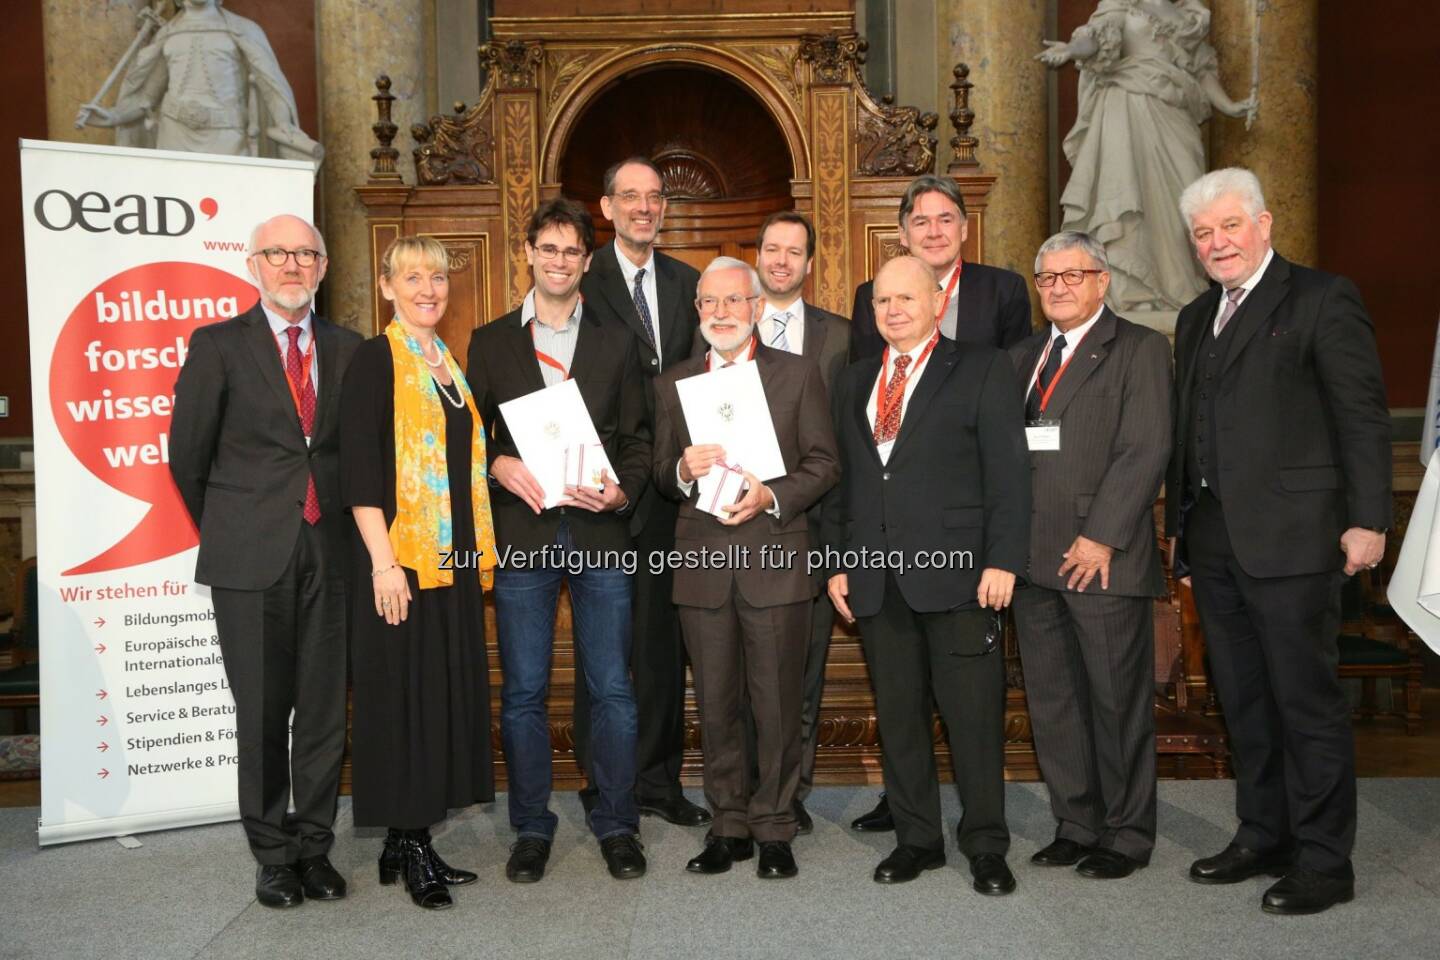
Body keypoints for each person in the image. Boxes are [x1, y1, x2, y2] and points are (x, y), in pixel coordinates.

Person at [1166, 168, 1391, 915]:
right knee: (1245, 702)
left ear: (1264, 224)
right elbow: (1188, 435)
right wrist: (1181, 539)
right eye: (1204, 233)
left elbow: (1359, 414)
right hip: (1216, 544)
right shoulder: (1198, 316)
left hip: (1297, 539)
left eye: (1230, 226)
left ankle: (1326, 860)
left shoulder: (1323, 298)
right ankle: (1265, 834)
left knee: (1306, 703)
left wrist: (1370, 519)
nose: (1218, 242)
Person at [169, 214, 359, 908]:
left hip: (331, 552)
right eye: (278, 253)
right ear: (253, 264)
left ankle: (314, 847)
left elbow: (358, 455)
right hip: (250, 557)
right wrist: (235, 525)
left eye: (306, 254)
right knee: (259, 711)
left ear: (324, 266)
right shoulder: (218, 346)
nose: (292, 265)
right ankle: (272, 855)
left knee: (321, 713)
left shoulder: (349, 348)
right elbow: (186, 458)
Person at [823, 255, 1029, 893]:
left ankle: (987, 844)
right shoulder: (853, 379)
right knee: (900, 717)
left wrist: (1003, 560)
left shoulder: (982, 368)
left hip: (961, 579)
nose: (893, 310)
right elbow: (844, 484)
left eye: (906, 298)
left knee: (973, 717)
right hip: (877, 580)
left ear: (937, 301)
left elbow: (1009, 474)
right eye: (882, 301)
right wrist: (836, 563)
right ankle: (917, 840)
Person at [467, 198, 650, 882]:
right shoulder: (490, 343)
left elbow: (638, 440)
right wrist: (495, 461)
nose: (560, 262)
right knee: (523, 692)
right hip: (525, 537)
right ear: (529, 253)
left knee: (612, 689)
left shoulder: (616, 342)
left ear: (586, 261)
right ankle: (532, 827)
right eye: (548, 249)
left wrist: (623, 488)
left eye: (572, 252)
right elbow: (466, 436)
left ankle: (616, 824)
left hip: (601, 533)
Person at [653, 257, 839, 879]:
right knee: (716, 702)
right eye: (709, 303)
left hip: (775, 559)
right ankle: (727, 823)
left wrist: (771, 495)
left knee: (778, 702)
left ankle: (775, 827)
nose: (721, 313)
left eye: (733, 301)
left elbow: (823, 464)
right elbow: (659, 472)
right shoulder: (674, 381)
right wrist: (683, 467)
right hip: (702, 565)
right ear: (697, 310)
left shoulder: (798, 374)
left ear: (757, 307)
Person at [339, 236, 497, 910]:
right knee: (403, 700)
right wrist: (383, 564)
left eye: (437, 276)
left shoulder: (447, 364)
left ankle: (405, 843)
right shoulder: (377, 360)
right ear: (386, 287)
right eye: (412, 276)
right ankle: (412, 847)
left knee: (435, 696)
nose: (428, 287)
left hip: (452, 562)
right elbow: (359, 472)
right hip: (401, 563)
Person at [1009, 231, 1172, 880]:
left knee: (1114, 702)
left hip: (1100, 557)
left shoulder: (1138, 349)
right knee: (1053, 703)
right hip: (1031, 559)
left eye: (1071, 276)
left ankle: (1128, 834)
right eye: (1046, 279)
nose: (1058, 288)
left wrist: (1102, 533)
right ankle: (1076, 824)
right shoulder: (1023, 355)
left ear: (1102, 280)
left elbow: (1146, 448)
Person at [577, 157, 709, 827]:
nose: (644, 207)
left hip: (671, 496)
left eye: (654, 197)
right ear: (607, 207)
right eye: (630, 196)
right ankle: (604, 783)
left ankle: (658, 781)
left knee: (660, 648)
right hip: (598, 492)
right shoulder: (582, 277)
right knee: (603, 648)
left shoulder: (690, 283)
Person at [1037, 0, 1255, 311]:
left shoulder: (1189, 17)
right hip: (1127, 111)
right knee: (1129, 196)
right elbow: (1095, 38)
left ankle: (1181, 294)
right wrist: (1073, 50)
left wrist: (1229, 106)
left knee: (1183, 204)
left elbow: (1200, 71)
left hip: (1175, 116)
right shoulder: (1120, 4)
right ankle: (1135, 295)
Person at [750, 210, 850, 834]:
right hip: (735, 531)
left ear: (810, 265)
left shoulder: (841, 338)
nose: (781, 260)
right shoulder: (722, 327)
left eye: (794, 252)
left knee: (802, 678)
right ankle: (751, 793)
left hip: (812, 526)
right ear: (757, 256)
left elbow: (847, 447)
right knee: (744, 681)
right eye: (771, 249)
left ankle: (792, 795)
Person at [78, 0, 321, 162]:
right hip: (174, 134)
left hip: (227, 136)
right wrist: (114, 116)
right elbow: (147, 97)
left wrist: (284, 123)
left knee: (229, 203)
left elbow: (271, 83)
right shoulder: (168, 33)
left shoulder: (242, 29)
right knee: (175, 205)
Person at [847, 174, 1030, 366]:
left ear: (964, 229)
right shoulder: (870, 295)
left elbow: (1013, 376)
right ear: (903, 235)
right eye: (921, 222)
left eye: (945, 220)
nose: (934, 233)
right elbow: (865, 378)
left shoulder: (1005, 291)